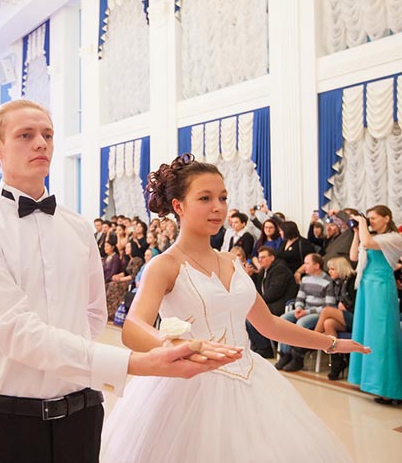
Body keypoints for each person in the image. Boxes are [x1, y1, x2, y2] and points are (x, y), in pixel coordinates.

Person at [0, 100, 241, 463]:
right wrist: (138, 363)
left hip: (81, 415)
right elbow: (15, 330)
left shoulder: (76, 226)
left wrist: (73, 365)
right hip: (6, 419)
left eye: (47, 135)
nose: (41, 143)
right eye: (25, 135)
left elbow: (94, 315)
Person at [100, 153, 369, 463]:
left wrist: (331, 343)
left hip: (251, 377)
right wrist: (178, 346)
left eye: (223, 198)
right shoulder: (164, 265)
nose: (218, 207)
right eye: (205, 198)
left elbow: (269, 324)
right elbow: (133, 328)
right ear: (178, 206)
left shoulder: (231, 260)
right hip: (188, 386)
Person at [348, 205, 402, 405]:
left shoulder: (394, 238)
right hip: (366, 288)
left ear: (386, 218)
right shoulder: (371, 237)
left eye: (373, 218)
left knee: (382, 336)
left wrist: (362, 223)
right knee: (367, 334)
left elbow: (368, 243)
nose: (370, 221)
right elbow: (354, 256)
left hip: (381, 288)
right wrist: (356, 231)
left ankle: (389, 388)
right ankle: (373, 384)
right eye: (368, 218)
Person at [274, 253, 335, 372]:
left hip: (318, 313)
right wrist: (298, 307)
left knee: (301, 323)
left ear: (316, 266)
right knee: (283, 319)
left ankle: (297, 357)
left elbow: (329, 307)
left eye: (307, 263)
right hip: (303, 310)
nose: (304, 266)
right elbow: (300, 298)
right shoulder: (305, 279)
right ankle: (285, 354)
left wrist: (306, 312)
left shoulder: (328, 282)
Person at [246, 246, 299, 358]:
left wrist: (257, 302)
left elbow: (274, 292)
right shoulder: (263, 271)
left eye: (263, 257)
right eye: (259, 258)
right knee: (247, 314)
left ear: (272, 258)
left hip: (281, 304)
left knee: (254, 316)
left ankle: (265, 348)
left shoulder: (280, 270)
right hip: (269, 303)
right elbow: (257, 290)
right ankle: (257, 346)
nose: (260, 260)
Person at [314, 256, 357, 380]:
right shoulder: (335, 283)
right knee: (328, 323)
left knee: (327, 311)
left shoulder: (352, 281)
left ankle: (313, 339)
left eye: (333, 269)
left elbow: (358, 304)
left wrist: (346, 306)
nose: (330, 272)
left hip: (356, 317)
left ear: (341, 269)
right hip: (344, 315)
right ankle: (337, 360)